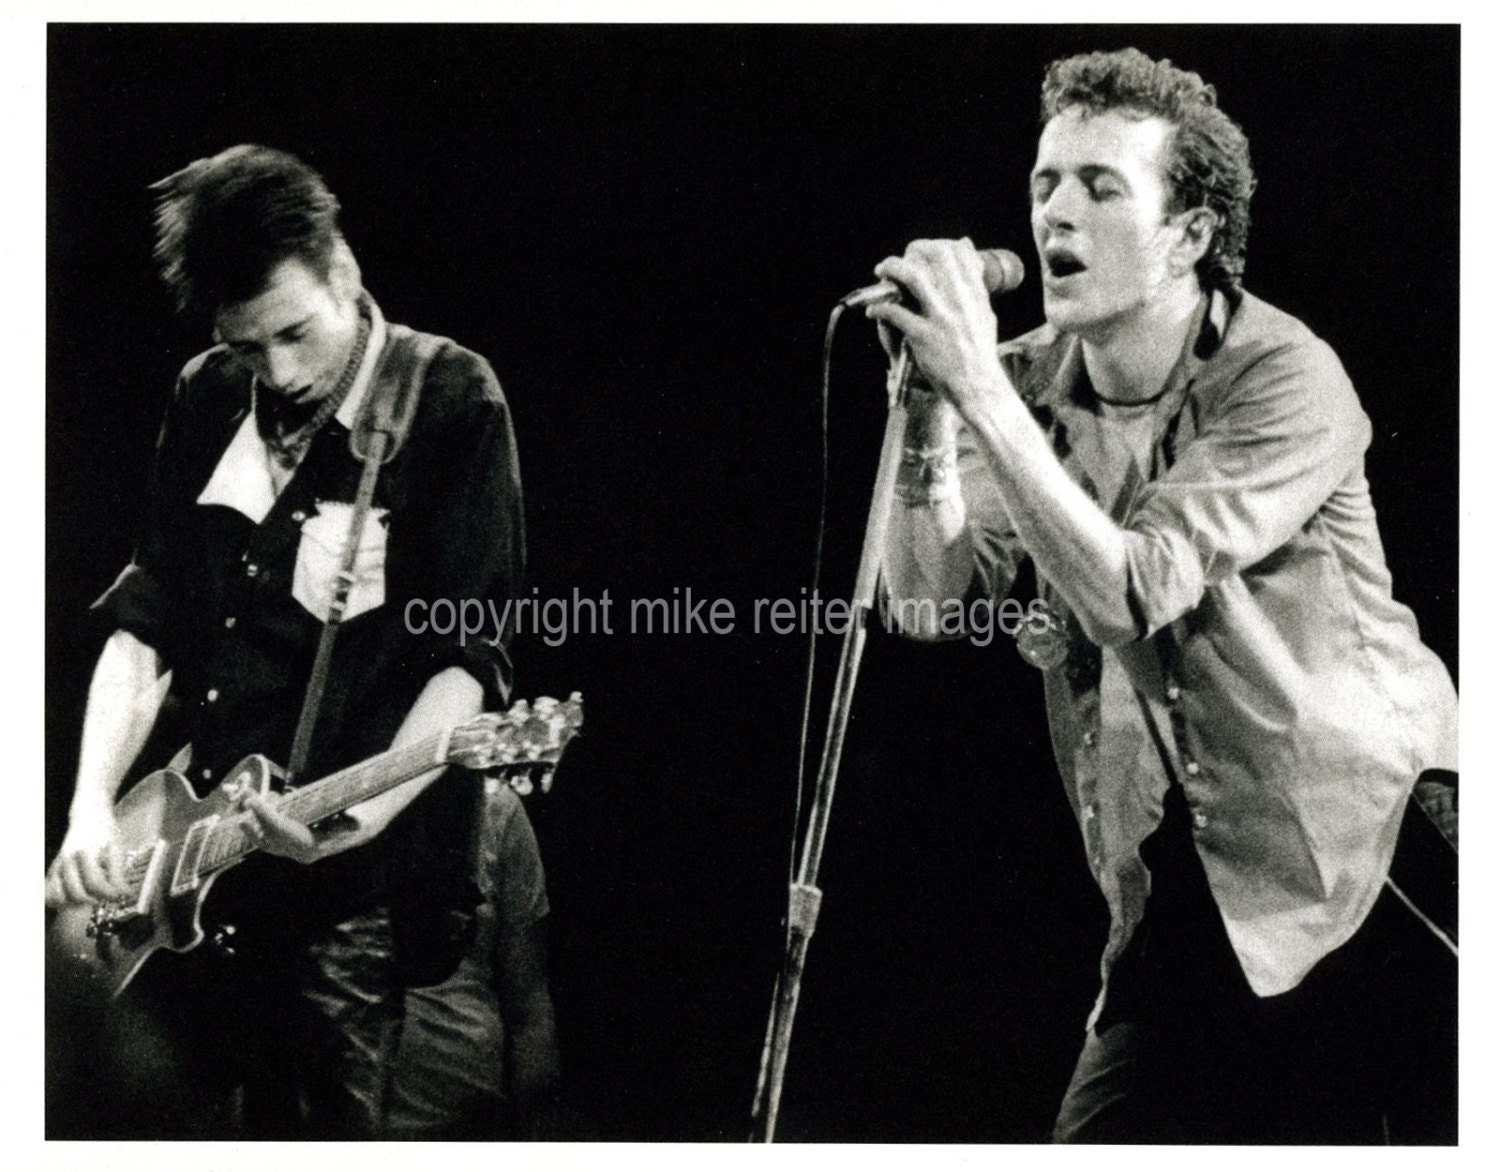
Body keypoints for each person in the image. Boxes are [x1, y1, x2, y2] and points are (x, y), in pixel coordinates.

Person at [874, 49, 1457, 1143]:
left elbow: (1129, 589)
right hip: (1187, 877)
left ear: (1189, 235)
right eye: (1047, 182)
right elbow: (925, 598)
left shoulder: (1287, 374)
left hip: (1372, 851)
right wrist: (927, 413)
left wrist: (979, 389)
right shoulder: (1031, 383)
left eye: (1101, 187)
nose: (1058, 212)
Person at [44, 144, 526, 1138]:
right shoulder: (208, 392)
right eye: (246, 343)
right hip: (183, 868)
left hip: (347, 900)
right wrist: (92, 805)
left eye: (296, 333)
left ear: (344, 274)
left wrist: (352, 822)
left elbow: (465, 662)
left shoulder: (450, 398)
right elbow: (148, 617)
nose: (280, 370)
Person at [385, 780, 561, 1139]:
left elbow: (528, 1001)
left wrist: (535, 1134)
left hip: (455, 1111)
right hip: (317, 1106)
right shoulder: (296, 799)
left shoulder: (495, 803)